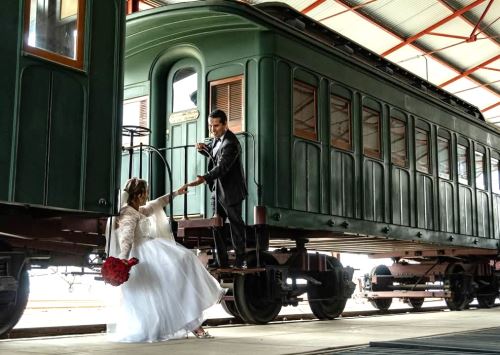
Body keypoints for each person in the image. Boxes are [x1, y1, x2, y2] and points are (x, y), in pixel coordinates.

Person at [107, 177, 225, 342]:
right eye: (146, 192)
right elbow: (125, 240)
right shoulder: (129, 213)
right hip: (143, 255)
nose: (147, 195)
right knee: (180, 269)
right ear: (139, 194)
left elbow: (157, 203)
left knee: (178, 275)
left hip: (151, 251)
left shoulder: (137, 210)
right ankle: (193, 324)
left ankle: (192, 323)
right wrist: (122, 262)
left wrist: (177, 192)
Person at [188, 109, 248, 269]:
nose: (212, 130)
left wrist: (204, 178)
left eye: (215, 126)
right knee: (216, 225)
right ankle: (221, 260)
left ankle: (240, 260)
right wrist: (203, 149)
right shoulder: (216, 139)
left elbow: (222, 167)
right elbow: (214, 154)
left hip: (231, 191)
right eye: (210, 126)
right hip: (217, 190)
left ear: (225, 125)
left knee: (236, 225)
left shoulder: (232, 143)